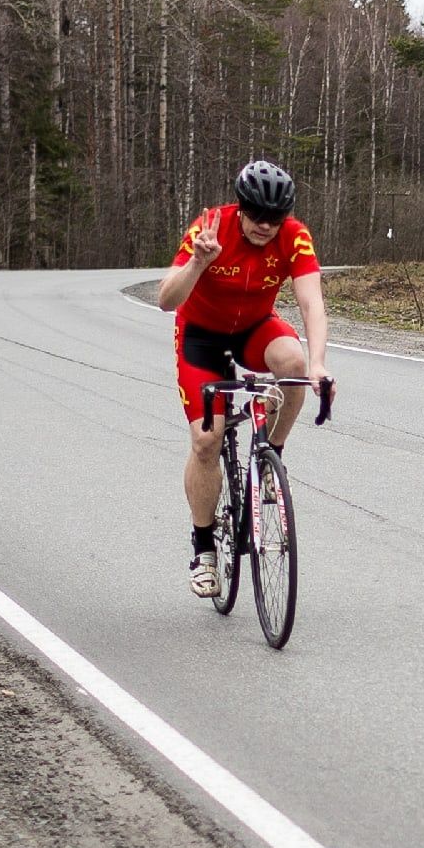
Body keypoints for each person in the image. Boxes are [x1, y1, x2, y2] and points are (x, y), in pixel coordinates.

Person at [157, 160, 332, 598]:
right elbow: (165, 299)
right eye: (256, 216)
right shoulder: (210, 228)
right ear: (241, 207)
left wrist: (318, 363)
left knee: (292, 364)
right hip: (202, 337)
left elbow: (311, 304)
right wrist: (199, 262)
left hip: (254, 327)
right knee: (206, 442)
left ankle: (271, 452)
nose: (265, 226)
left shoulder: (294, 236)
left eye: (275, 219)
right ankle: (203, 548)